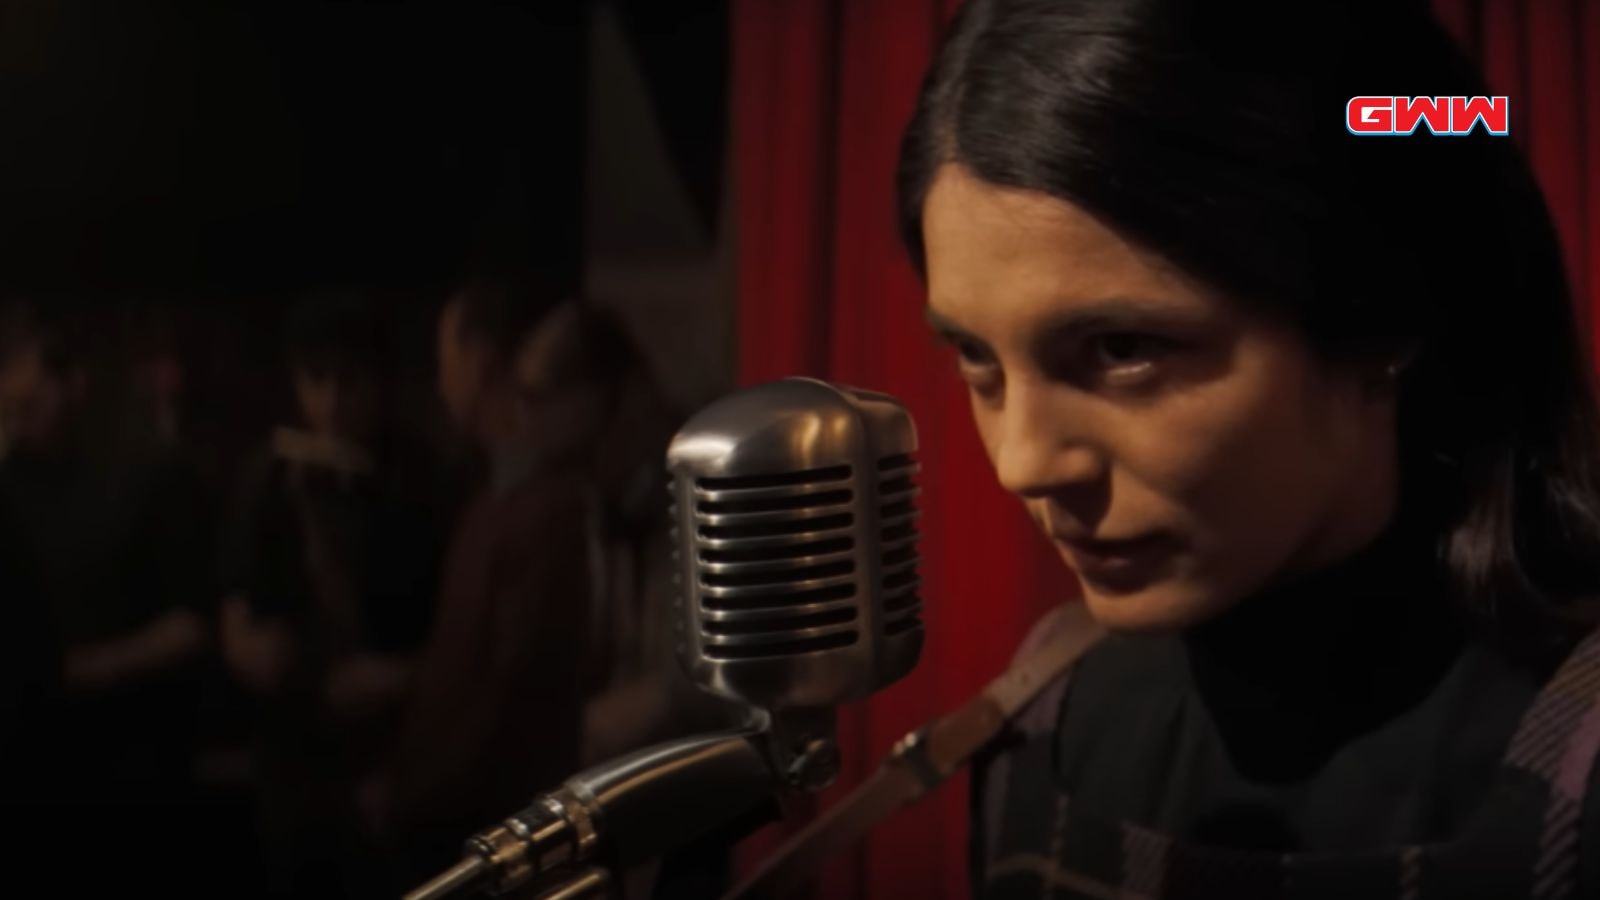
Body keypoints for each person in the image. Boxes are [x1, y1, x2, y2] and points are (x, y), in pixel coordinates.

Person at [895, 1, 1600, 897]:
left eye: (1122, 349)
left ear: (1381, 310)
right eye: (976, 357)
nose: (1022, 463)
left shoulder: (1572, 764)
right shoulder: (1042, 722)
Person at [220, 295, 440, 897]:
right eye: (317, 382)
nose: (333, 403)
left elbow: (459, 634)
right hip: (294, 749)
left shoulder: (423, 482)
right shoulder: (268, 474)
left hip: (397, 747)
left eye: (349, 382)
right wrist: (245, 646)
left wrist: (397, 676)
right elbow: (236, 603)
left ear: (381, 383)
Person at [376, 279, 595, 879]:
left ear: (479, 357)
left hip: (492, 842)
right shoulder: (489, 503)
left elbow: (505, 695)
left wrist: (412, 799)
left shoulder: (542, 509)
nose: (441, 377)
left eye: (445, 354)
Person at [0, 300, 215, 887]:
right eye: (43, 370)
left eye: (66, 371)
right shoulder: (7, 491)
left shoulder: (139, 482)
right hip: (25, 780)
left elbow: (195, 623)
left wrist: (87, 668)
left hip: (124, 779)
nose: (61, 391)